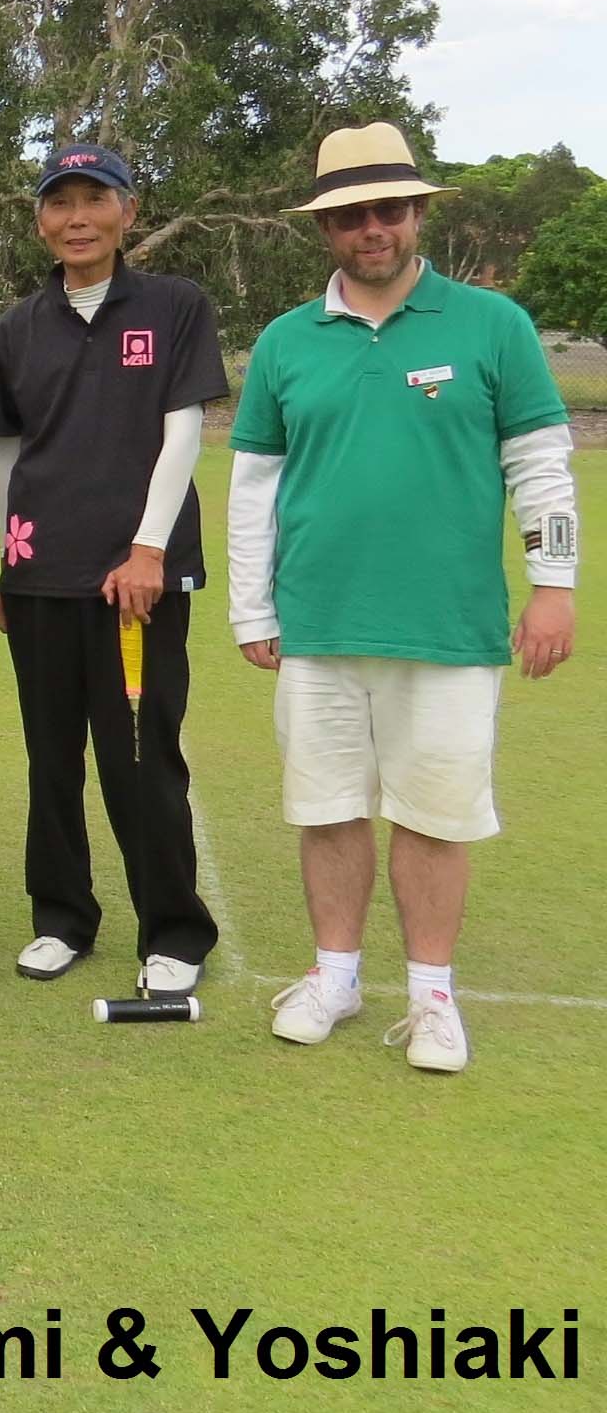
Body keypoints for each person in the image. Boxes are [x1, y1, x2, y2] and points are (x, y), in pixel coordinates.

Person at [230, 121, 580, 1073]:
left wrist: (554, 585)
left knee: (434, 814)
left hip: (449, 627)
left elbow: (541, 464)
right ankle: (336, 976)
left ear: (419, 213)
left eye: (388, 208)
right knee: (329, 806)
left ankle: (431, 998)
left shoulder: (492, 326)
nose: (371, 227)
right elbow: (255, 485)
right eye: (350, 213)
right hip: (319, 623)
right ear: (327, 228)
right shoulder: (284, 342)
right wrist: (251, 610)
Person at [0, 143, 228, 995]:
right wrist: (9, 566)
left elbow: (183, 429)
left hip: (139, 582)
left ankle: (175, 928)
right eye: (60, 203)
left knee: (140, 757)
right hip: (41, 576)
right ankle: (61, 918)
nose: (76, 218)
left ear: (128, 210)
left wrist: (149, 545)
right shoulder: (17, 327)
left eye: (95, 199)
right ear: (42, 220)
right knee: (51, 758)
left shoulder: (175, 305)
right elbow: (11, 451)